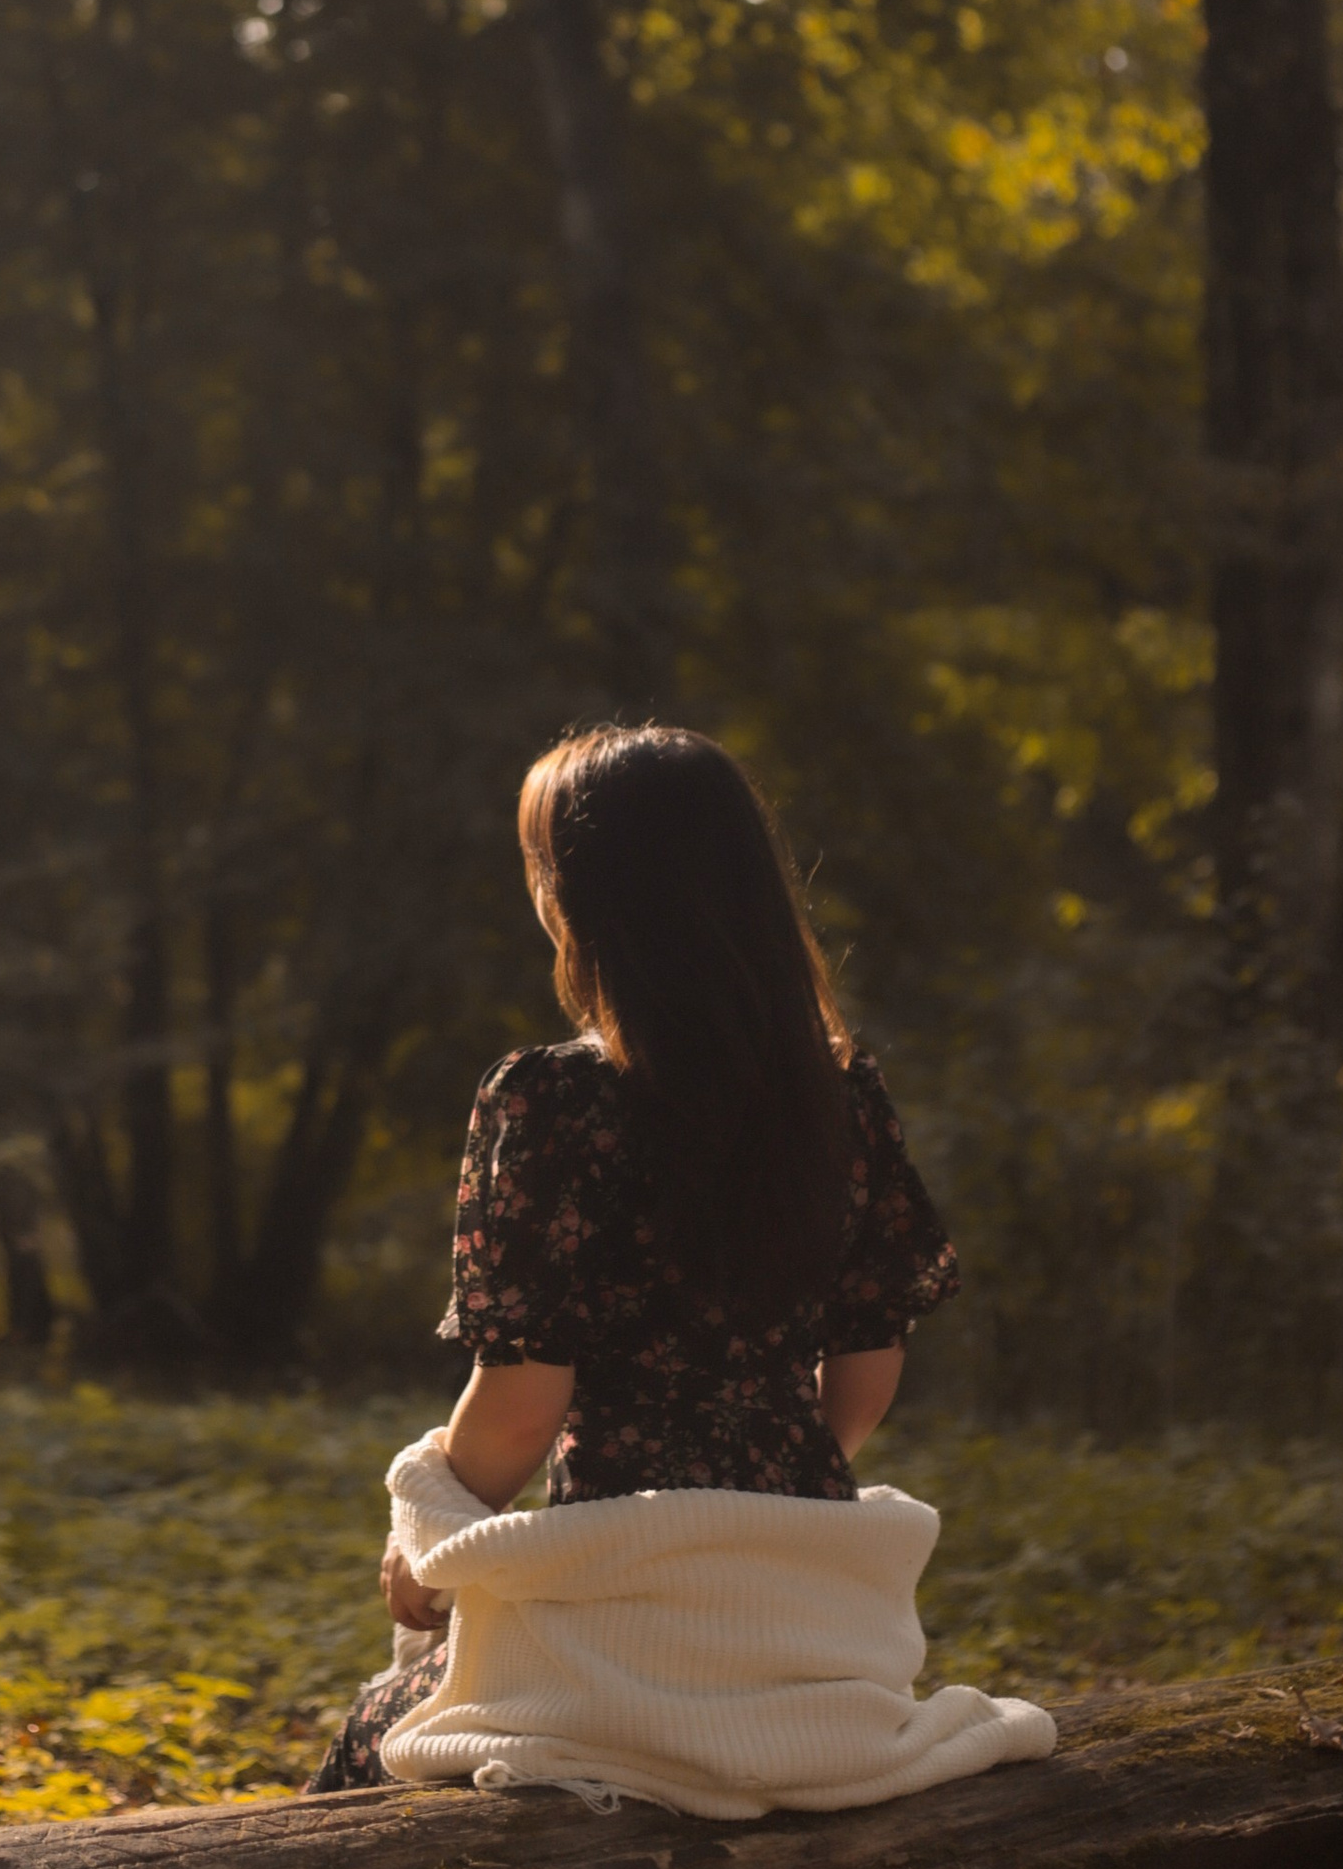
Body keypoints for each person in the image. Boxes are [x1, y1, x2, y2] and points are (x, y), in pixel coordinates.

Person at [309, 719, 967, 1796]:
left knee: (378, 1736)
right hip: (805, 1597)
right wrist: (763, 1481)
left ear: (585, 895)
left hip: (619, 1592)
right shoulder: (839, 1095)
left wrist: (425, 1528)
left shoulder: (552, 1101)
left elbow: (523, 1404)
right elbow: (865, 1370)